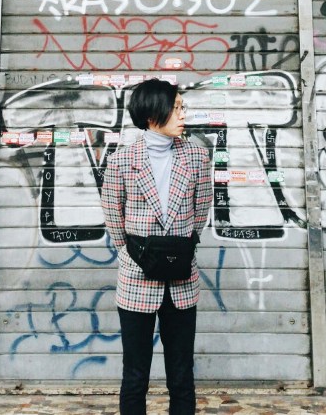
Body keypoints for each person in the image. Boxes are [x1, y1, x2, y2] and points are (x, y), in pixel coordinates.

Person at [101, 78, 213, 415]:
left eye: (182, 108)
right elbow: (112, 214)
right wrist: (131, 256)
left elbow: (201, 209)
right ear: (153, 115)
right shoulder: (122, 161)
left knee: (182, 375)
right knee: (135, 375)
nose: (183, 116)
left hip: (182, 281)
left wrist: (180, 249)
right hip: (137, 280)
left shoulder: (195, 155)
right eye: (176, 109)